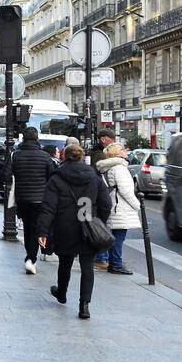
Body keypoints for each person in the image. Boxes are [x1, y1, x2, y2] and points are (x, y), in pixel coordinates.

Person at [37, 143, 112, 320]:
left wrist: (43, 231)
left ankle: (61, 292)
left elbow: (48, 208)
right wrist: (98, 220)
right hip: (87, 224)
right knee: (87, 266)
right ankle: (84, 305)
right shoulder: (94, 177)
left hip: (65, 226)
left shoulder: (57, 178)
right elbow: (106, 204)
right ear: (81, 156)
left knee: (65, 262)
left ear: (64, 156)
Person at [11, 126, 55, 274]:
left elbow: (5, 175)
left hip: (23, 198)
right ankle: (31, 259)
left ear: (23, 139)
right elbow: (52, 177)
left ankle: (30, 257)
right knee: (36, 229)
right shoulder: (45, 156)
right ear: (37, 139)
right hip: (40, 199)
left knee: (29, 228)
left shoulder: (15, 155)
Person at [95, 141, 140, 275]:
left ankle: (112, 261)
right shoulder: (119, 168)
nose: (125, 152)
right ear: (115, 153)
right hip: (120, 207)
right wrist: (137, 205)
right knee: (119, 237)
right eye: (122, 150)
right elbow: (125, 190)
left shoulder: (110, 167)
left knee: (114, 236)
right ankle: (116, 264)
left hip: (115, 205)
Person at [91, 129, 120, 268]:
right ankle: (101, 258)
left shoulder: (99, 153)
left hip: (99, 193)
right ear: (104, 139)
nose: (114, 141)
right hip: (101, 194)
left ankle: (102, 258)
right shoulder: (100, 155)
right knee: (102, 224)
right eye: (112, 139)